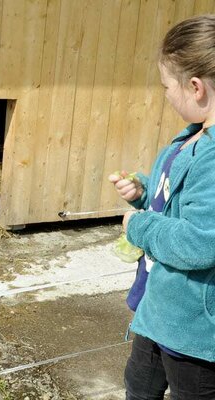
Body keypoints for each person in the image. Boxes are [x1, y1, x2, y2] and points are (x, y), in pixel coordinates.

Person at [109, 14, 215, 400]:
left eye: (166, 86)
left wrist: (138, 226)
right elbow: (182, 202)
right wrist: (144, 190)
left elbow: (202, 240)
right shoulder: (192, 137)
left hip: (193, 332)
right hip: (159, 311)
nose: (165, 95)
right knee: (139, 388)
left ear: (195, 87)